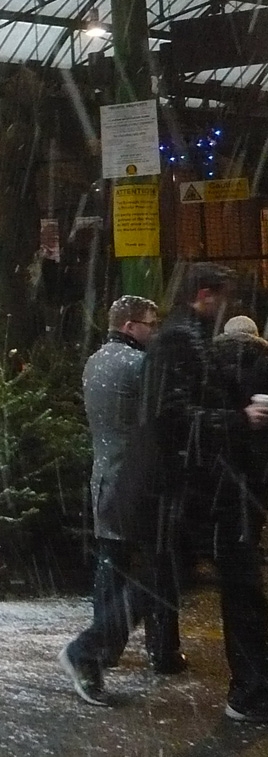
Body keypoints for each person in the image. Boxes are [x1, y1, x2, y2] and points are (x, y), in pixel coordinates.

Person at [145, 263, 268, 722]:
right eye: (223, 296)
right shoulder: (180, 339)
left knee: (223, 583)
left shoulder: (197, 339)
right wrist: (242, 419)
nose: (227, 306)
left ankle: (252, 687)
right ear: (203, 294)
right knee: (229, 585)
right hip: (206, 487)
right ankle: (93, 648)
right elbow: (173, 418)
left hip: (214, 487)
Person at [59, 295, 177, 705]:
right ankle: (125, 650)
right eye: (150, 323)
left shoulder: (96, 361)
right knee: (153, 571)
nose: (154, 330)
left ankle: (102, 648)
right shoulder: (135, 365)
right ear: (130, 326)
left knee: (112, 565)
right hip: (134, 484)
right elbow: (164, 415)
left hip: (106, 479)